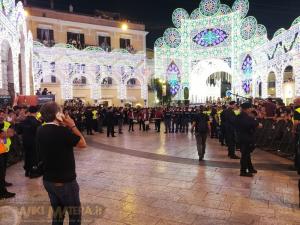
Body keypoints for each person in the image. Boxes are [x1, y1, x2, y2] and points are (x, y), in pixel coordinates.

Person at [37, 101, 87, 225]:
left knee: (58, 214)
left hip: (49, 180)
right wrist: (72, 125)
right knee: (75, 215)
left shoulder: (40, 129)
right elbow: (82, 143)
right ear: (58, 114)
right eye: (61, 112)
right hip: (65, 182)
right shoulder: (62, 132)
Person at [236, 102, 260, 177]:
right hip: (246, 138)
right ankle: (243, 171)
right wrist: (256, 123)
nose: (251, 109)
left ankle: (250, 168)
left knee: (247, 154)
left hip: (241, 137)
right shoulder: (246, 117)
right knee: (245, 155)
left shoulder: (240, 116)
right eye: (250, 108)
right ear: (247, 109)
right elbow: (254, 124)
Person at [19, 106, 42, 178]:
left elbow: (20, 131)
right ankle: (33, 172)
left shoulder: (24, 121)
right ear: (36, 112)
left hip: (25, 142)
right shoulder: (37, 122)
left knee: (27, 156)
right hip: (34, 142)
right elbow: (39, 133)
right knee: (34, 157)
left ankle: (27, 171)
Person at [0, 124, 15, 199]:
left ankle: (3, 191)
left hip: (2, 151)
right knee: (1, 173)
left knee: (2, 173)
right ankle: (2, 193)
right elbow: (3, 134)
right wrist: (5, 134)